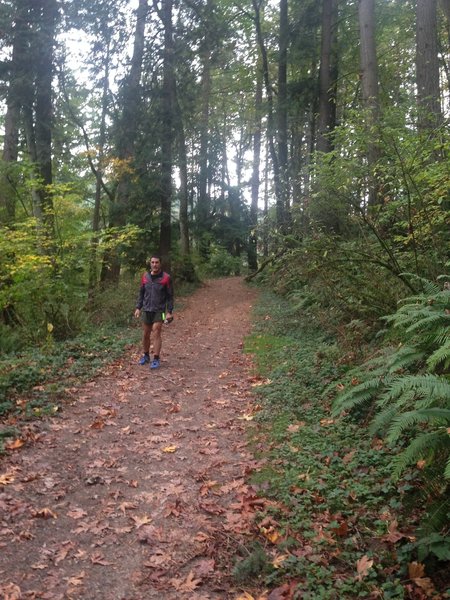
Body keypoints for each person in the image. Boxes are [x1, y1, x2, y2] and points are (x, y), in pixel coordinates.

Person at [134, 255, 174, 369]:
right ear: (150, 264)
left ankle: (156, 358)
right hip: (147, 309)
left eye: (157, 262)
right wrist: (138, 307)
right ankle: (146, 356)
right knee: (146, 334)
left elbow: (170, 296)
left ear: (160, 264)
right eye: (152, 262)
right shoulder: (145, 277)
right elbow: (141, 293)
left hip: (159, 310)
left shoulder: (166, 278)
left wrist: (169, 311)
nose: (154, 264)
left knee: (156, 331)